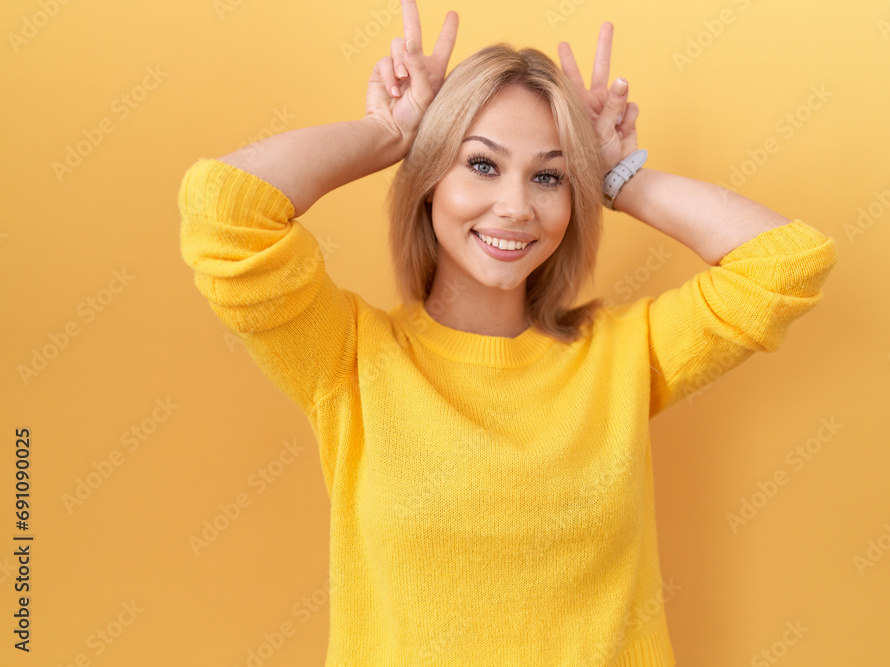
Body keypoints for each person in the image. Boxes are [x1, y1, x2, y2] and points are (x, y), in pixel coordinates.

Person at [177, 1, 837, 664]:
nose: (517, 206)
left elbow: (784, 263)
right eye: (483, 165)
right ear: (429, 178)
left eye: (549, 175)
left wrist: (616, 176)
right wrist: (389, 130)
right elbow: (224, 210)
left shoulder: (620, 357)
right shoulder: (349, 357)